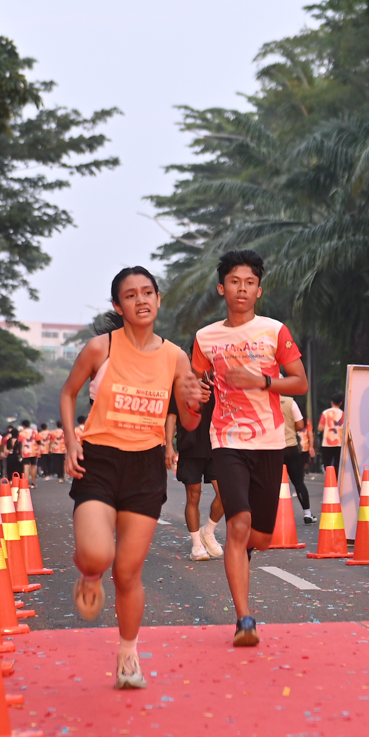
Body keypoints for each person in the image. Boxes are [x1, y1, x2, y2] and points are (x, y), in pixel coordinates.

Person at [61, 266, 205, 686]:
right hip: (99, 461)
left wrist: (194, 402)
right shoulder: (100, 348)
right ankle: (89, 575)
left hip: (146, 467)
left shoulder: (175, 357)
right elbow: (69, 393)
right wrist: (70, 442)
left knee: (126, 572)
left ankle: (128, 655)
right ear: (118, 305)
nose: (141, 300)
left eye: (147, 292)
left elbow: (190, 422)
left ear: (158, 299)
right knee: (97, 555)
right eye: (130, 295)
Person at [190, 248, 308, 648]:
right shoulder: (205, 338)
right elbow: (195, 385)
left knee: (261, 538)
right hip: (227, 441)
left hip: (270, 442)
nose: (242, 289)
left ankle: (243, 554)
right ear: (221, 288)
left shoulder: (274, 331)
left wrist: (261, 381)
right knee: (238, 524)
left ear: (259, 290)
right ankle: (244, 619)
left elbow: (300, 383)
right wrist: (197, 392)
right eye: (234, 282)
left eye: (250, 283)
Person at [166, 375, 225, 560]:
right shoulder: (183, 385)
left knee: (226, 493)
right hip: (190, 446)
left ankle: (208, 531)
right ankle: (197, 545)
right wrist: (168, 446)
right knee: (193, 496)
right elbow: (172, 416)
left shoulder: (221, 382)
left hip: (216, 446)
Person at [280, 395, 314, 523]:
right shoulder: (290, 402)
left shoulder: (263, 400)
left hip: (272, 448)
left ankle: (272, 516)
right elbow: (300, 425)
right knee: (298, 482)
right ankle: (307, 513)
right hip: (290, 447)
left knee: (271, 483)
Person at [317, 394, 344, 474]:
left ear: (331, 402)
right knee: (338, 464)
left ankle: (329, 478)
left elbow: (320, 428)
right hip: (340, 443)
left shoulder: (325, 413)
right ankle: (336, 479)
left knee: (327, 463)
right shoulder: (344, 414)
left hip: (327, 443)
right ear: (341, 403)